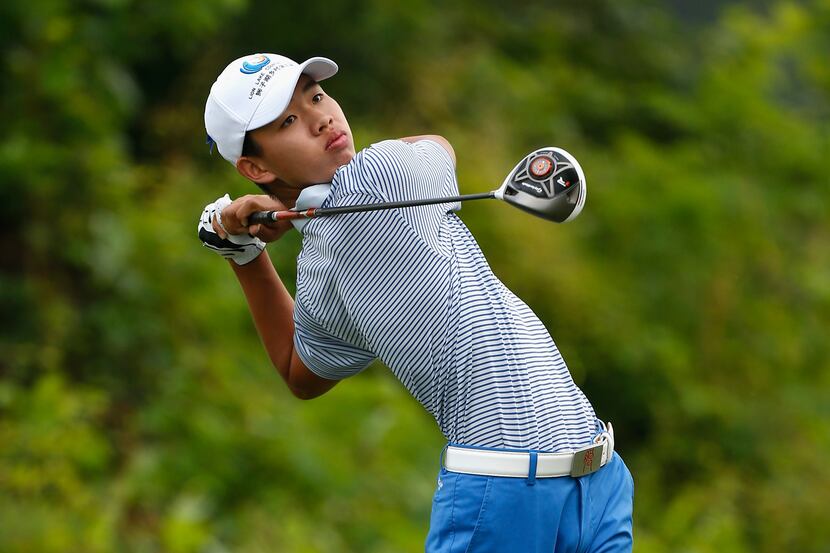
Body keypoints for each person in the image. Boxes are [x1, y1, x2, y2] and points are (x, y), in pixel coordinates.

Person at [198, 52, 634, 552]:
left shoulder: (366, 200)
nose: (322, 119)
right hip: (506, 491)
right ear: (252, 166)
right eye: (290, 121)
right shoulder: (368, 202)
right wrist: (274, 223)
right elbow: (437, 146)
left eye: (317, 97)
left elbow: (297, 369)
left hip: (595, 476)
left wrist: (242, 250)